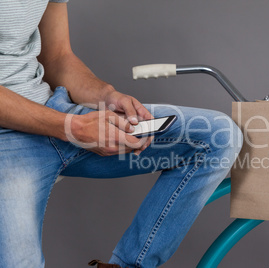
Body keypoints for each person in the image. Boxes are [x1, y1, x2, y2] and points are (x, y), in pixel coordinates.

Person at [0, 1, 243, 268]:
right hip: (7, 137)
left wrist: (107, 96)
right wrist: (73, 127)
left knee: (217, 136)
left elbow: (57, 56)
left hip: (56, 110)